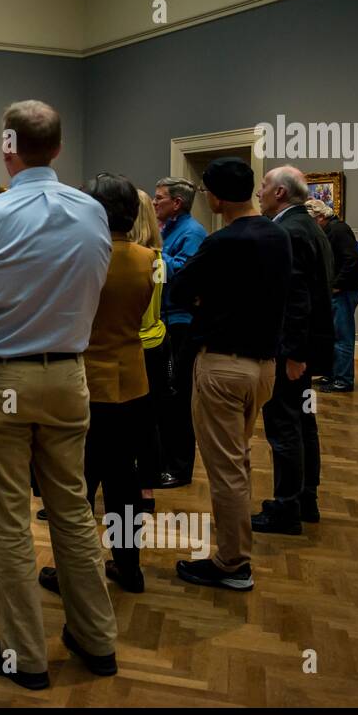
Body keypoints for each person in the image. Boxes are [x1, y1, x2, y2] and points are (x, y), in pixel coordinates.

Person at [0, 100, 119, 689]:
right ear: (60, 148)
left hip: (5, 380)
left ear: (8, 146)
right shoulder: (92, 212)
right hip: (71, 376)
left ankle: (26, 654)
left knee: (10, 520)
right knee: (72, 507)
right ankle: (97, 639)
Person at [170, 158, 291, 592]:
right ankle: (233, 555)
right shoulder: (278, 235)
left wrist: (207, 296)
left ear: (217, 197)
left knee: (225, 469)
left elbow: (180, 289)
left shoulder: (223, 242)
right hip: (263, 366)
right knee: (237, 459)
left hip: (223, 365)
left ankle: (231, 563)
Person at [39, 174, 154, 595]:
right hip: (133, 379)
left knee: (77, 483)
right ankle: (129, 566)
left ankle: (72, 569)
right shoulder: (150, 259)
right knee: (125, 482)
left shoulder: (81, 258)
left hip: (86, 378)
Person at [253, 166, 334, 535]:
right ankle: (305, 499)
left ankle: (286, 507)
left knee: (284, 424)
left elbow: (296, 300)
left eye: (265, 186)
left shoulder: (287, 231)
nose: (260, 191)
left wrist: (292, 354)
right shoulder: (311, 228)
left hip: (291, 351)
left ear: (281, 193)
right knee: (303, 422)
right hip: (305, 349)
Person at [152, 176, 207, 489]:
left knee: (178, 396)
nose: (155, 202)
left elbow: (186, 275)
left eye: (160, 198)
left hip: (181, 323)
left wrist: (153, 253)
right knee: (163, 397)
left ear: (177, 203)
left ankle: (180, 468)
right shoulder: (168, 228)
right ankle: (162, 461)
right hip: (165, 319)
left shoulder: (192, 232)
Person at [130, 189, 169, 497]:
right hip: (155, 341)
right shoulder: (158, 258)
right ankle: (147, 490)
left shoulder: (128, 259)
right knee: (149, 420)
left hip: (131, 346)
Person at [306, 198, 358, 393]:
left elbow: (351, 259)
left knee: (342, 336)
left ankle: (343, 380)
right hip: (338, 291)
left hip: (344, 292)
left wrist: (336, 286)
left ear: (321, 217)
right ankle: (332, 374)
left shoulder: (338, 230)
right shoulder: (332, 230)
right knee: (333, 335)